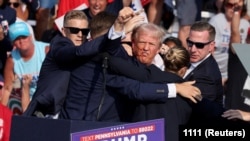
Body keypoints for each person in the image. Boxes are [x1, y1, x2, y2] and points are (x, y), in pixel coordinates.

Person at [59, 7, 201, 124]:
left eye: (151, 44)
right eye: (140, 42)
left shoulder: (143, 65)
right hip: (83, 128)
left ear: (159, 47)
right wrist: (175, 88)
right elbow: (136, 89)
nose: (145, 48)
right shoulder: (104, 61)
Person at [23, 10, 122, 117]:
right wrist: (114, 31)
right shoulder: (59, 45)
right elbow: (78, 52)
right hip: (44, 113)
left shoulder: (86, 52)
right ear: (64, 31)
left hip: (67, 116)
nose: (80, 35)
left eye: (84, 31)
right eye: (74, 30)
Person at [1, 22, 49, 114]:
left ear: (30, 37)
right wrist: (1, 113)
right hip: (28, 98)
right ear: (13, 42)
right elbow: (7, 89)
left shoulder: (46, 50)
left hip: (48, 97)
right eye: (17, 39)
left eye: (24, 37)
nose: (21, 41)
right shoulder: (12, 60)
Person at [209, 0, 249, 87]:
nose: (233, 9)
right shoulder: (217, 20)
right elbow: (210, 50)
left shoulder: (246, 25)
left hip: (234, 73)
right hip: (216, 70)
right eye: (230, 5)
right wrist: (214, 73)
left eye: (237, 6)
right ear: (224, 6)